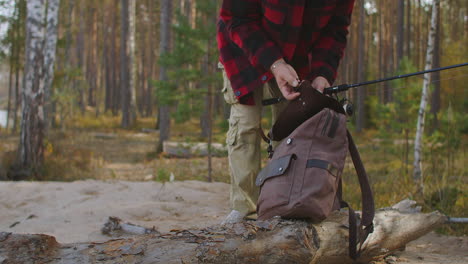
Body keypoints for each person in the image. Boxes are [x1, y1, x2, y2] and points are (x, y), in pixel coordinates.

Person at [217, 0, 355, 224]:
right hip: (242, 48)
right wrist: (275, 63)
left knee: (294, 129)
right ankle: (244, 210)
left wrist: (322, 74)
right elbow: (237, 18)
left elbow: (335, 30)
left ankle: (283, 203)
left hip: (297, 57)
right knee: (245, 125)